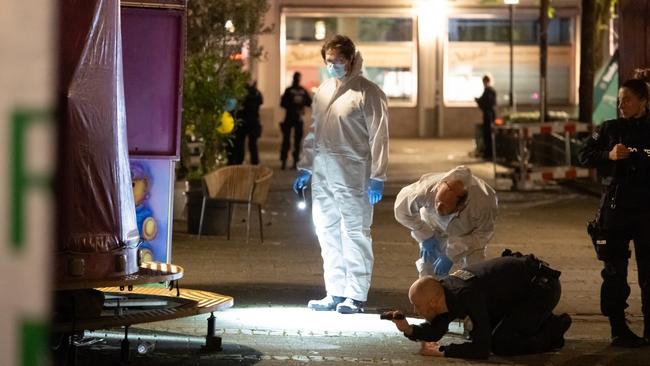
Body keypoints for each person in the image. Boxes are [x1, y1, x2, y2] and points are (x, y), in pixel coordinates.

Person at [292, 35, 389, 314]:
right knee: (326, 231)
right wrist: (305, 167)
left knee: (354, 232)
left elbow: (379, 137)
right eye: (329, 60)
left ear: (351, 59)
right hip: (323, 175)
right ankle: (334, 291)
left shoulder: (367, 92)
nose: (333, 65)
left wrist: (378, 175)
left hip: (354, 174)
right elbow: (314, 133)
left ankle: (355, 295)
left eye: (338, 60)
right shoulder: (323, 90)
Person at [384, 252, 572, 359]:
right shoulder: (445, 294)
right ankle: (538, 322)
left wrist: (443, 351)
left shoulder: (465, 294)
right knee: (496, 331)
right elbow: (436, 330)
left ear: (433, 302)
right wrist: (408, 329)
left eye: (418, 305)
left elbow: (482, 349)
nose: (416, 310)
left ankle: (554, 331)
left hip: (541, 289)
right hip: (517, 294)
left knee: (501, 344)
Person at [579, 76, 650, 348]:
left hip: (646, 212)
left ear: (643, 102)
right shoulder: (610, 129)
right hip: (615, 211)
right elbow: (584, 154)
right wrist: (608, 156)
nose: (622, 105)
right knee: (614, 273)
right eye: (620, 100)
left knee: (649, 275)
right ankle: (618, 330)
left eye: (628, 99)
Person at [394, 166, 498, 277]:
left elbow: (483, 234)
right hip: (433, 224)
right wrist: (424, 233)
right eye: (438, 201)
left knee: (474, 270)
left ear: (461, 206)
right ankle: (430, 291)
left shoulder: (484, 204)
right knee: (428, 268)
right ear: (438, 188)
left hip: (468, 231)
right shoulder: (425, 190)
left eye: (445, 205)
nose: (438, 207)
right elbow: (401, 210)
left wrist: (451, 254)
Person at [280, 72, 312, 170]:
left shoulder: (293, 90)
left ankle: (292, 161)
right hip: (291, 118)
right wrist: (296, 105)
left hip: (296, 118)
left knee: (295, 141)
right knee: (288, 141)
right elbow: (283, 103)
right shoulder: (295, 90)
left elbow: (309, 102)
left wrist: (298, 105)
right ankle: (286, 161)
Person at [229, 81, 263, 165]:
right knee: (253, 145)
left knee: (240, 144)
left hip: (243, 122)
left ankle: (240, 162)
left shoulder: (241, 94)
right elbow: (260, 102)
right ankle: (254, 163)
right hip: (253, 121)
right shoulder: (256, 93)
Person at [474, 75, 497, 160]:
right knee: (488, 134)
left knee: (488, 134)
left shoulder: (488, 91)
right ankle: (489, 152)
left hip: (488, 116)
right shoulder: (491, 91)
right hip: (491, 115)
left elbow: (485, 103)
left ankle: (489, 153)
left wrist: (478, 101)